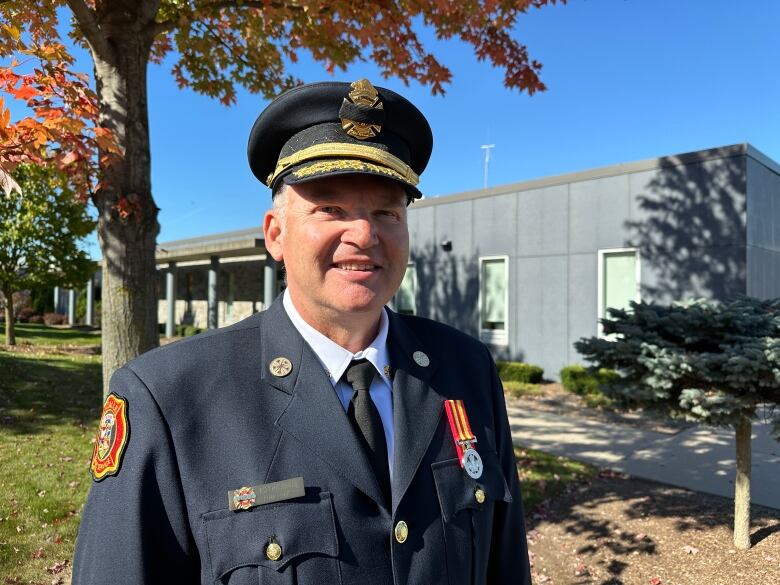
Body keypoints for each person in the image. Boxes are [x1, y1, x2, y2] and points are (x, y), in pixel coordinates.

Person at [73, 79, 532, 585]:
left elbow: (504, 562)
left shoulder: (464, 370)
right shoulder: (169, 397)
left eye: (386, 212)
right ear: (275, 233)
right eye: (329, 209)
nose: (364, 234)